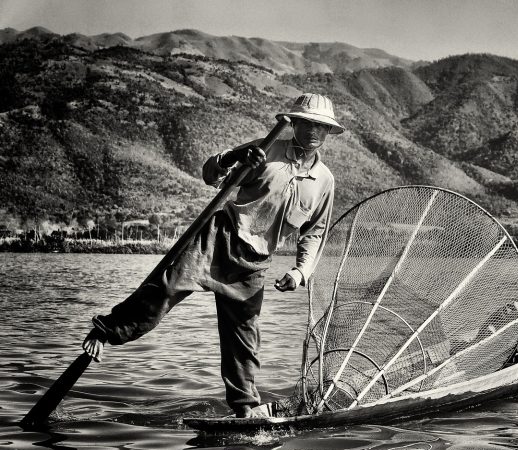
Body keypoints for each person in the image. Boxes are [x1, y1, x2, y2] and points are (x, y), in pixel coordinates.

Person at [82, 93, 344, 418]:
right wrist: (234, 156)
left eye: (321, 126)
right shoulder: (266, 148)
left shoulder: (324, 181)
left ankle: (244, 410)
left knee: (244, 339)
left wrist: (300, 271)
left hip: (254, 263)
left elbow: (314, 232)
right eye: (307, 123)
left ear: (329, 132)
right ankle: (105, 331)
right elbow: (212, 176)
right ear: (295, 124)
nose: (313, 131)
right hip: (220, 237)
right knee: (165, 288)